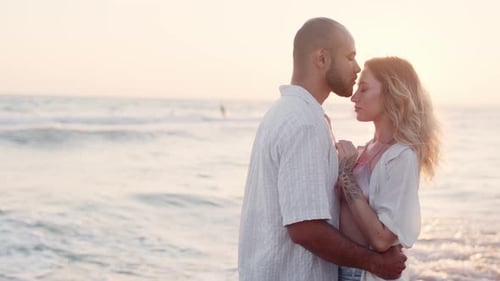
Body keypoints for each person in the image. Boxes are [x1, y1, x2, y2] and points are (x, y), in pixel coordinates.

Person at [238, 17, 407, 281]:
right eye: (350, 57)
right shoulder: (304, 123)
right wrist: (375, 263)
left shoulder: (287, 113)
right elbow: (305, 229)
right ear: (322, 58)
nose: (357, 67)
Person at [336, 56, 440, 281]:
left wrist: (345, 175)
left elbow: (382, 238)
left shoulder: (402, 156)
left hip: (363, 274)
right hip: (340, 268)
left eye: (363, 89)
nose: (354, 97)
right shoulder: (365, 150)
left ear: (392, 95)